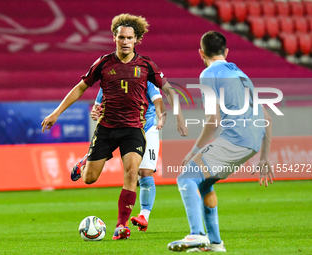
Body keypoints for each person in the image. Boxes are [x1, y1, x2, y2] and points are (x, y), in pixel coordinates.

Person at [41, 13, 187, 241]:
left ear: (137, 39)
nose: (125, 41)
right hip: (107, 129)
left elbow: (167, 89)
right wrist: (56, 113)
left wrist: (177, 114)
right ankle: (85, 162)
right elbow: (80, 88)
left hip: (133, 129)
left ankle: (121, 225)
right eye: (121, 37)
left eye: (130, 38)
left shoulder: (146, 65)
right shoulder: (103, 63)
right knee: (89, 178)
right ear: (114, 38)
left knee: (132, 173)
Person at [167, 31, 274, 252]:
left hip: (235, 138)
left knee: (186, 177)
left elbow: (213, 120)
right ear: (226, 52)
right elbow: (268, 118)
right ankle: (215, 243)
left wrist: (194, 150)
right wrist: (264, 157)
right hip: (252, 142)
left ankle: (196, 235)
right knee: (204, 183)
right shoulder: (243, 76)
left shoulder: (208, 74)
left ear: (201, 53)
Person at [91, 82, 166, 232]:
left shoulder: (147, 76)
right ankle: (87, 159)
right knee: (96, 172)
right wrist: (95, 111)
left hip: (148, 128)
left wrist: (160, 113)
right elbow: (98, 104)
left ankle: (144, 216)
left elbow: (158, 99)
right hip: (121, 128)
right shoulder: (111, 75)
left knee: (144, 172)